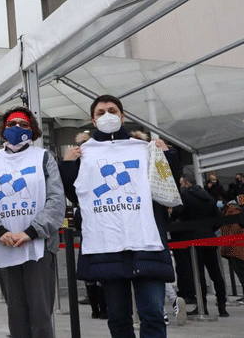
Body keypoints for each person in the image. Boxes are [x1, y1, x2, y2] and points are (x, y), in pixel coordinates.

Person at [59, 94, 175, 338]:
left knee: (153, 313)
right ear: (92, 119)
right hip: (107, 244)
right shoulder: (84, 154)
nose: (107, 115)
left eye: (112, 110)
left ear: (123, 116)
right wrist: (68, 165)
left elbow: (168, 187)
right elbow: (75, 194)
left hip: (146, 241)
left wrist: (167, 157)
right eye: (101, 112)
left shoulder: (143, 149)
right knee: (118, 317)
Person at [0, 106, 65, 338]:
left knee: (40, 314)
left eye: (23, 124)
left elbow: (56, 199)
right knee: (15, 316)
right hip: (5, 246)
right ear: (3, 130)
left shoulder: (44, 157)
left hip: (38, 246)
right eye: (11, 124)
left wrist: (32, 231)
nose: (16, 128)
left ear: (32, 129)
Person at [170, 173, 228, 317]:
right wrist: (209, 230)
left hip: (193, 238)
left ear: (187, 184)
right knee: (216, 273)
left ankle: (202, 307)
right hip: (209, 237)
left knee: (198, 274)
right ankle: (222, 305)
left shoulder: (185, 196)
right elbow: (218, 220)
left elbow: (177, 212)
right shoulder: (208, 197)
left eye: (182, 183)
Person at [220, 195, 244, 304]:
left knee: (241, 273)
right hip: (238, 249)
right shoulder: (238, 213)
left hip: (234, 249)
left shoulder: (230, 214)